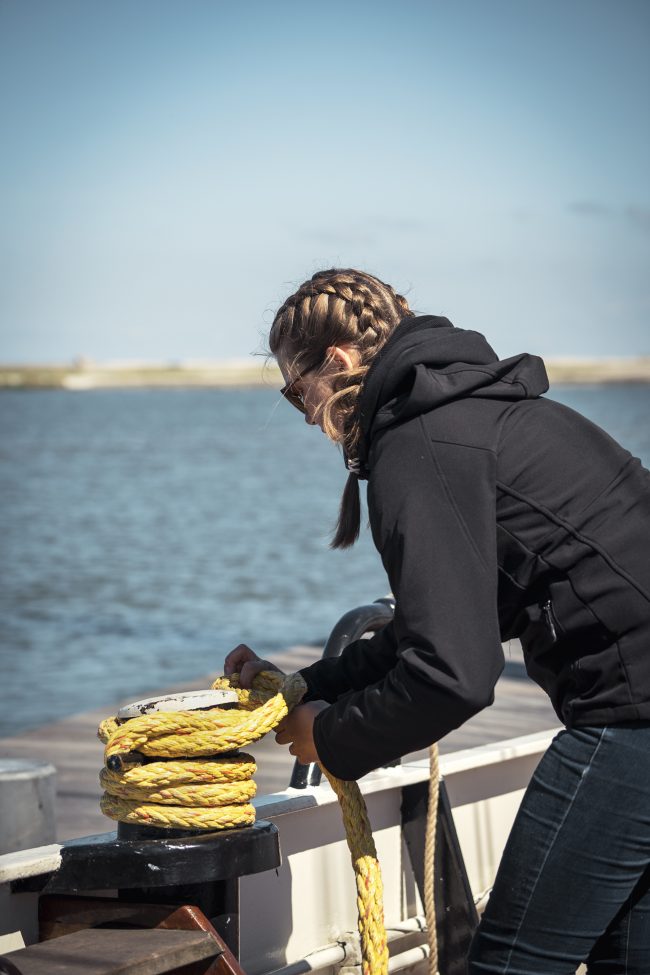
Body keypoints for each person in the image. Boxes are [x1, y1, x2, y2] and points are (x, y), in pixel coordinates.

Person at [224, 268, 650, 973]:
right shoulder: (467, 407)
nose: (303, 414)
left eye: (296, 390)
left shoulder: (418, 444)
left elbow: (452, 672)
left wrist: (330, 738)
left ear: (336, 360)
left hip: (633, 716)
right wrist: (304, 686)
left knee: (509, 963)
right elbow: (427, 633)